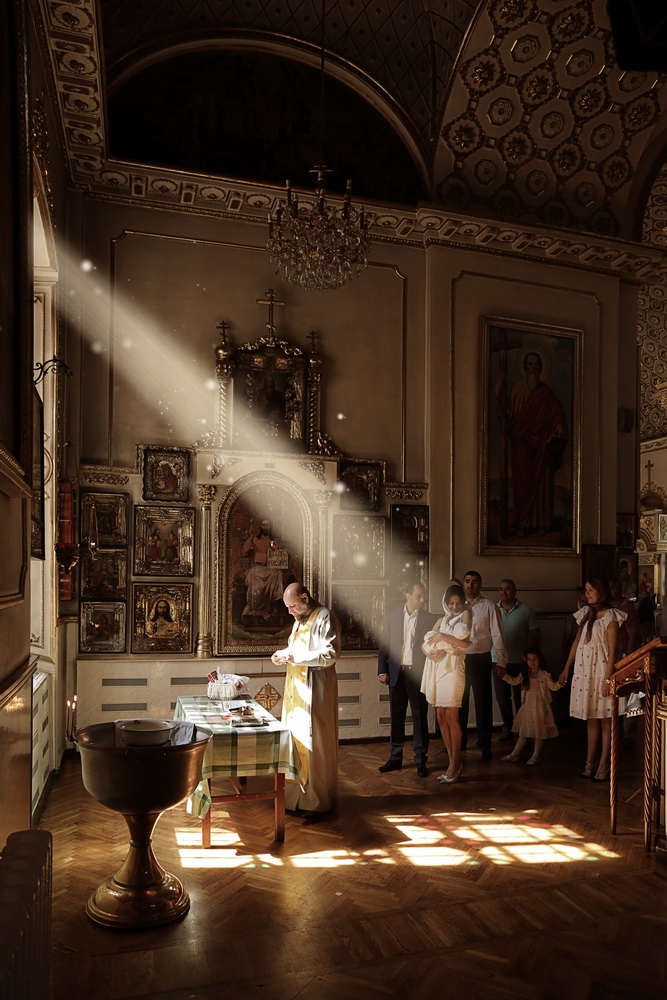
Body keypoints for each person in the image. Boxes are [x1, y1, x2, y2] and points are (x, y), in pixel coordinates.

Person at [271, 582, 341, 815]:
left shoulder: (324, 617)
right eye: (287, 607)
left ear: (305, 597)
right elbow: (295, 651)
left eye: (293, 606)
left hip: (316, 690)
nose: (290, 611)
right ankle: (295, 800)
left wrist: (294, 656)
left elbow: (330, 654)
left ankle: (317, 802)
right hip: (297, 690)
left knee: (316, 743)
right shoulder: (299, 620)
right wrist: (283, 655)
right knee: (295, 742)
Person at [559, 578, 626, 781]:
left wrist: (608, 679)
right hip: (584, 670)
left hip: (601, 671)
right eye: (585, 590)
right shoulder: (585, 614)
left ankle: (604, 764)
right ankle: (589, 762)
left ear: (602, 591)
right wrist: (566, 668)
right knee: (591, 719)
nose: (587, 593)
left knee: (606, 720)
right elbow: (576, 643)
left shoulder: (611, 616)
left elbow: (613, 650)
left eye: (591, 590)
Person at [377, 582, 438, 777]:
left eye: (424, 597)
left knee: (420, 719)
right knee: (396, 718)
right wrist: (382, 670)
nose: (422, 600)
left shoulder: (429, 619)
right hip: (396, 674)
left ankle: (421, 760)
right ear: (408, 595)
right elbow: (384, 645)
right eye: (419, 596)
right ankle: (395, 758)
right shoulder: (392, 616)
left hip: (418, 675)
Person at [507, 350, 568, 536]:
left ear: (541, 368)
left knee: (542, 484)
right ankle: (522, 522)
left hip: (543, 447)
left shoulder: (546, 393)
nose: (533, 368)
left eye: (536, 365)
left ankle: (541, 523)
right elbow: (512, 419)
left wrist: (558, 427)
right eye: (530, 365)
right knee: (523, 482)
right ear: (525, 367)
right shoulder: (518, 389)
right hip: (522, 446)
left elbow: (556, 414)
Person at [421, 584, 472, 783]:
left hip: (455, 668)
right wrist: (430, 653)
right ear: (446, 602)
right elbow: (424, 643)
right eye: (451, 603)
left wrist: (443, 637)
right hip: (439, 667)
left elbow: (467, 643)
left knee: (452, 715)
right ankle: (453, 762)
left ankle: (455, 763)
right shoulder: (441, 619)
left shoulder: (466, 615)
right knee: (440, 715)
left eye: (458, 603)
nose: (454, 607)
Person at [459, 570, 508, 759]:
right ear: (463, 584)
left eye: (474, 582)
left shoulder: (489, 607)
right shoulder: (456, 606)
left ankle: (484, 744)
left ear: (480, 585)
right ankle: (459, 741)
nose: (470, 585)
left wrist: (502, 661)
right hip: (460, 660)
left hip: (480, 658)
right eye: (467, 581)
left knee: (483, 703)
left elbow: (498, 635)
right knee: (459, 702)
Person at [495, 647, 563, 764]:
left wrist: (561, 683)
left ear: (540, 660)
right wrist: (504, 676)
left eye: (535, 659)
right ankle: (514, 754)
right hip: (527, 707)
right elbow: (515, 681)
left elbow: (553, 687)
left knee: (539, 732)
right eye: (529, 659)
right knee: (523, 732)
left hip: (540, 708)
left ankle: (536, 756)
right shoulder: (524, 674)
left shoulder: (544, 675)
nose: (532, 662)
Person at [492, 579, 540, 741]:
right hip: (498, 661)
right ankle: (507, 728)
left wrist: (532, 660)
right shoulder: (493, 609)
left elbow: (535, 635)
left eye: (507, 589)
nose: (504, 592)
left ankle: (523, 730)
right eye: (500, 589)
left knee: (521, 698)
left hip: (520, 662)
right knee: (502, 697)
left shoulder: (526, 610)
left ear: (515, 591)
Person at [242, 517, 287, 620]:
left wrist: (277, 551)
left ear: (270, 527)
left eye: (267, 525)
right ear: (260, 526)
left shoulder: (274, 541)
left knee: (278, 573)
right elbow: (244, 553)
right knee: (253, 573)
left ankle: (274, 605)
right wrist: (249, 541)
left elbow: (279, 556)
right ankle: (255, 607)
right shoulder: (255, 539)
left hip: (270, 568)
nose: (266, 527)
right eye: (264, 525)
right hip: (257, 567)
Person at [608, 576, 640, 658]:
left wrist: (628, 659)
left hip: (622, 653)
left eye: (612, 588)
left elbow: (632, 638)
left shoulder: (628, 608)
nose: (610, 592)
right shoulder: (606, 606)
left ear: (619, 589)